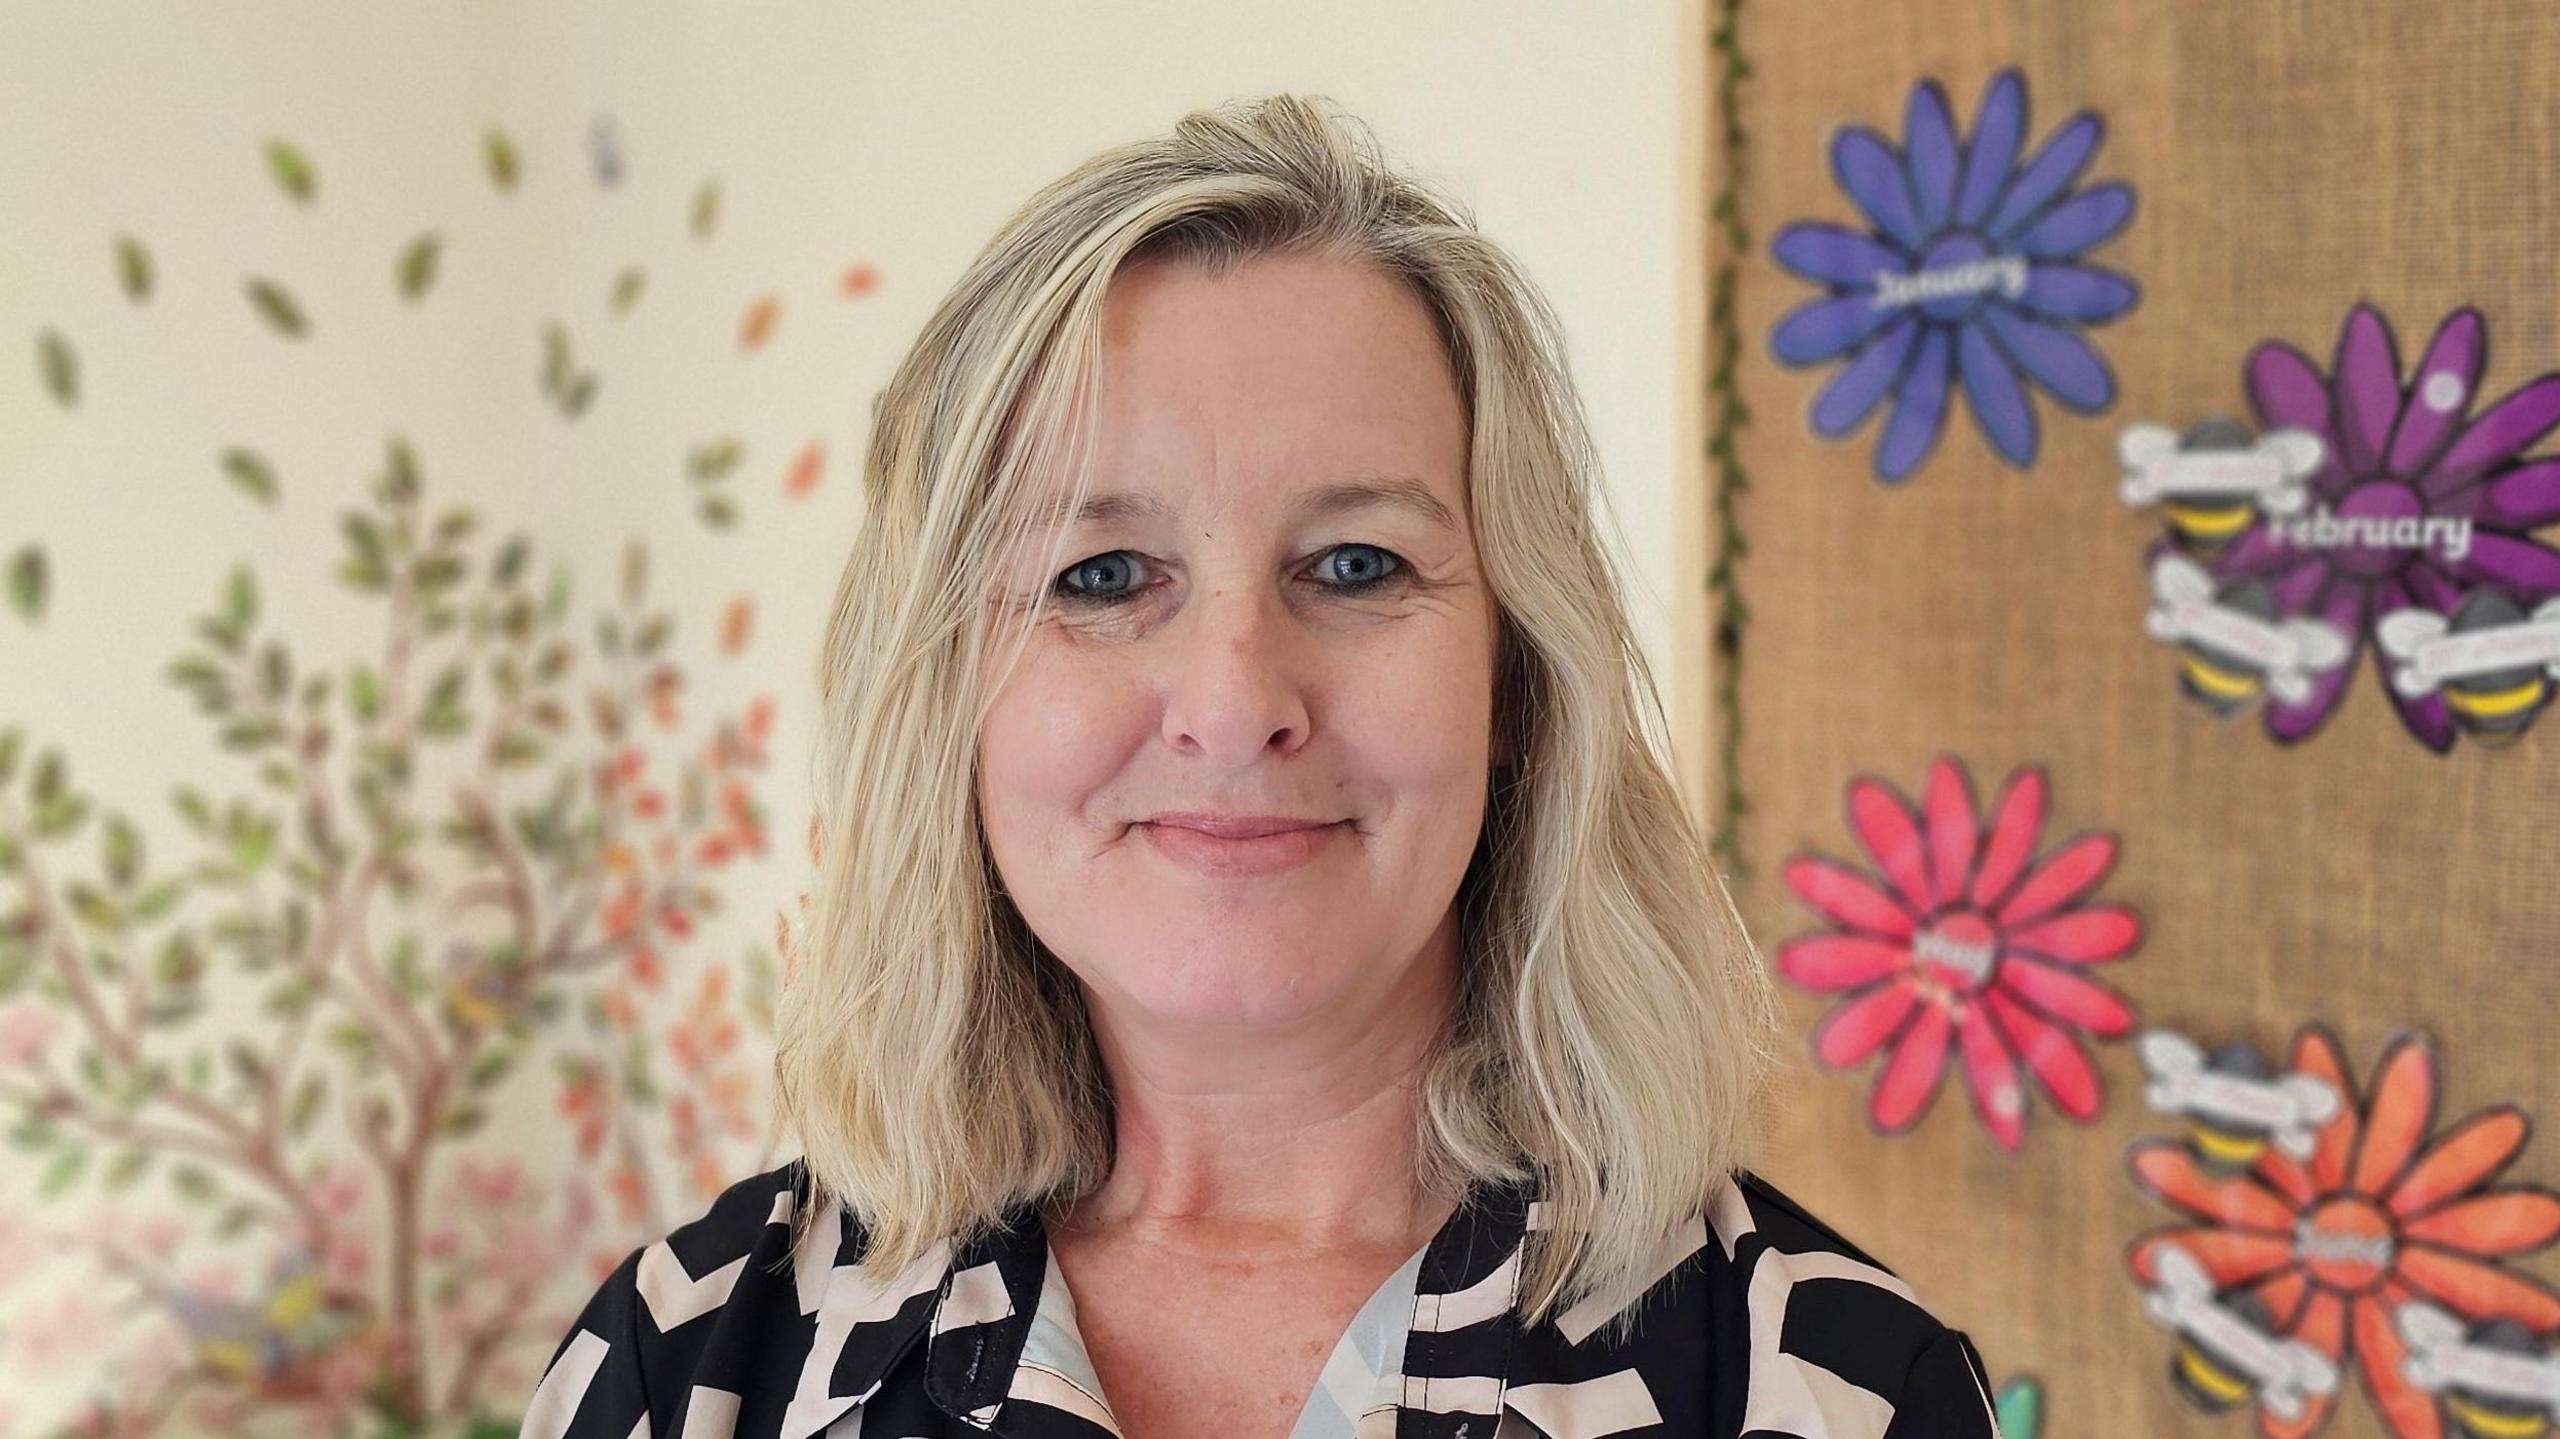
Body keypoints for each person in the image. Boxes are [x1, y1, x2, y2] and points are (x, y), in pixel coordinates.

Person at [520, 93, 2002, 1439]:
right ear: (944, 701)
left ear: (1519, 682)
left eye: (1356, 564)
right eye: (1101, 576)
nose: (1233, 704)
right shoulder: (694, 1363)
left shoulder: (1832, 1395)